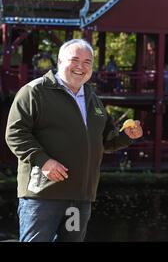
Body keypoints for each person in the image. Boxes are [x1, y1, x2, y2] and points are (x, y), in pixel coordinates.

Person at [5, 39, 143, 242]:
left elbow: (106, 141)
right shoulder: (34, 91)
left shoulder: (92, 98)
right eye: (75, 59)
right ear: (60, 62)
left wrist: (125, 137)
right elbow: (15, 133)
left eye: (88, 62)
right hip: (42, 195)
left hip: (80, 198)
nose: (81, 66)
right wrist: (44, 161)